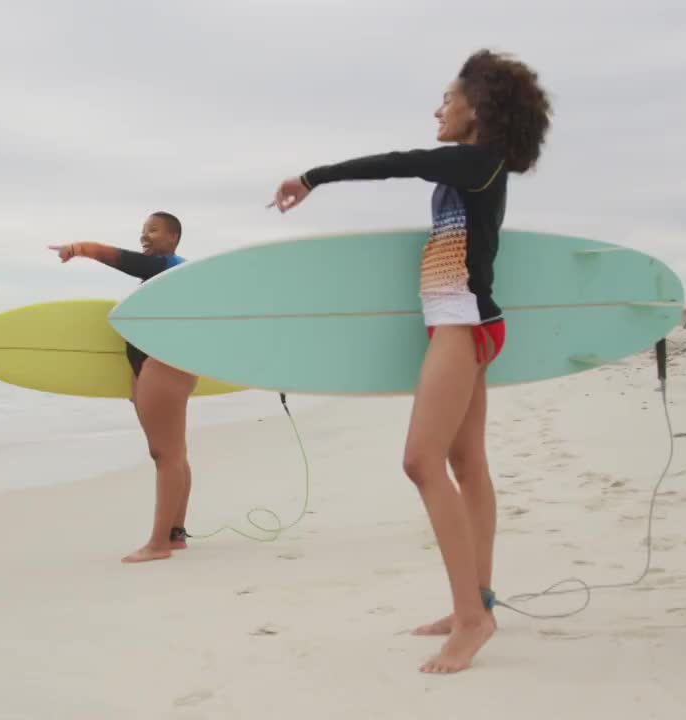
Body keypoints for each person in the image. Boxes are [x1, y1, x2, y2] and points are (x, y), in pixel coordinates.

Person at [267, 49, 552, 673]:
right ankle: (476, 603)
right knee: (465, 462)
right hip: (462, 322)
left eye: (447, 99)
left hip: (462, 325)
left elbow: (399, 163)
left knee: (421, 461)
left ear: (476, 109)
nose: (438, 109)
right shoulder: (478, 167)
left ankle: (472, 619)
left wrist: (312, 177)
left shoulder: (477, 162)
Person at [48, 211, 199, 564]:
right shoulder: (166, 274)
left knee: (167, 455)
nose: (144, 235)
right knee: (171, 452)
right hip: (152, 366)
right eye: (143, 230)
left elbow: (121, 260)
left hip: (164, 366)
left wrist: (78, 248)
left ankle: (159, 543)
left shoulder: (168, 266)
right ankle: (175, 534)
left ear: (173, 238)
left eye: (154, 230)